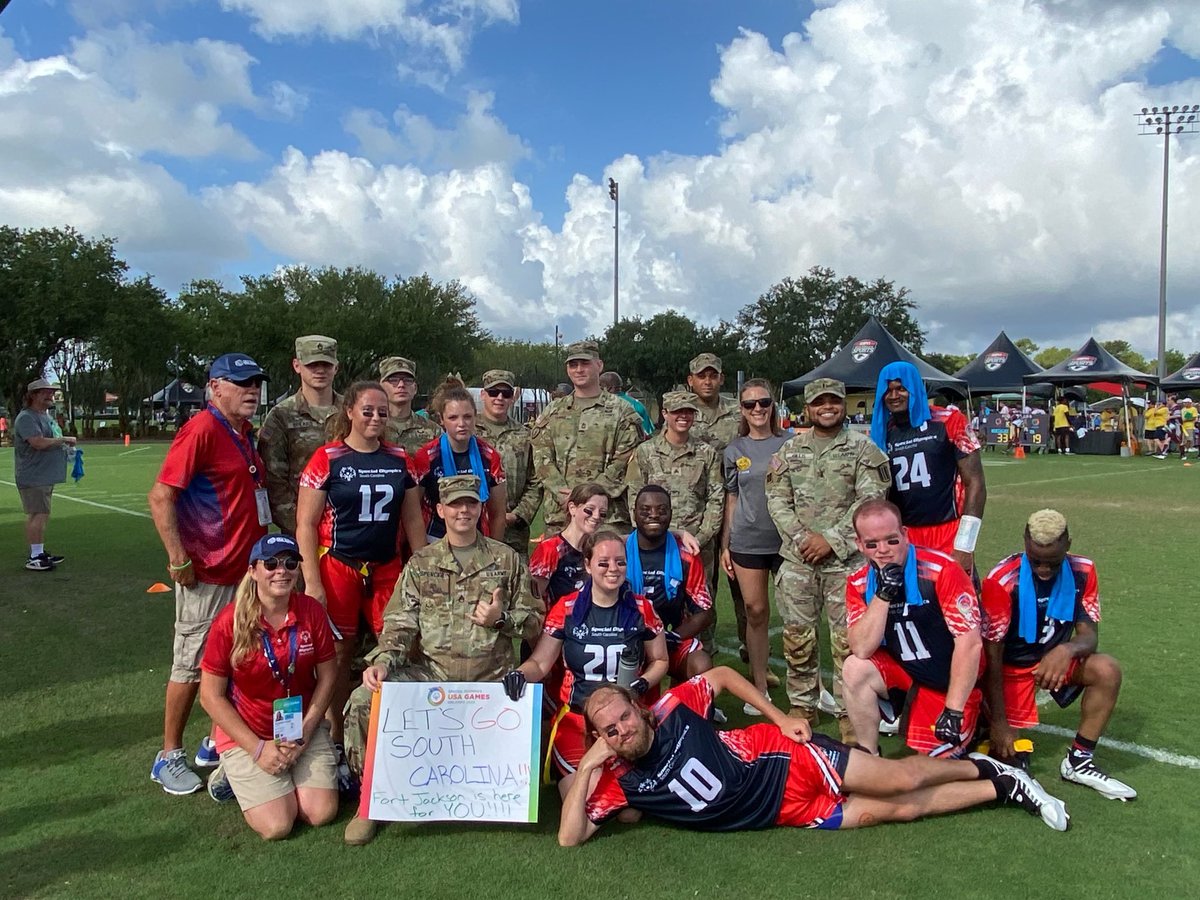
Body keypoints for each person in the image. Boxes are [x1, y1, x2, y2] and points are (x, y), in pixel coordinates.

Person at [558, 666, 1069, 845]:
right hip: (785, 812)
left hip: (783, 758)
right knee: (901, 809)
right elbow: (569, 838)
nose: (621, 731)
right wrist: (585, 768)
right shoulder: (618, 779)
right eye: (609, 730)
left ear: (637, 708)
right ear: (602, 737)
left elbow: (720, 678)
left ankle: (985, 764)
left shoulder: (670, 709)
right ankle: (1006, 786)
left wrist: (779, 717)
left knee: (896, 780)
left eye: (624, 717)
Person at [341, 475, 543, 844]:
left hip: (491, 682)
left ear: (481, 508)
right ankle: (369, 799)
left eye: (470, 503)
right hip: (433, 678)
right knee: (362, 701)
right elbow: (400, 622)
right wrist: (384, 661)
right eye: (454, 504)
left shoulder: (506, 559)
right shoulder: (422, 564)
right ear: (440, 510)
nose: (463, 510)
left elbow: (534, 623)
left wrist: (500, 619)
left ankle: (501, 797)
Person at [147, 353, 270, 795]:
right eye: (240, 383)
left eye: (255, 383)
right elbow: (161, 497)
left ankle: (215, 741)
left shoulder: (244, 432)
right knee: (192, 664)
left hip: (245, 572)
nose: (251, 390)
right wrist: (178, 558)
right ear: (215, 387)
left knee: (238, 659)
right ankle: (169, 755)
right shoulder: (201, 428)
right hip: (209, 572)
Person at [295, 381, 426, 766]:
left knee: (399, 646)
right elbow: (305, 524)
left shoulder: (401, 458)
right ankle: (335, 732)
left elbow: (414, 520)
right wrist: (313, 581)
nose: (375, 417)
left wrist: (423, 571)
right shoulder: (328, 457)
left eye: (382, 412)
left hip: (386, 565)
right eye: (367, 410)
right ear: (349, 410)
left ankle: (394, 730)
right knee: (337, 651)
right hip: (339, 562)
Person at [979, 510, 1136, 800]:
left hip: (1052, 663)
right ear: (1025, 542)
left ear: (1068, 545)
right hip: (1009, 669)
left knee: (1107, 670)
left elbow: (1089, 636)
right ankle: (983, 723)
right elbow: (991, 656)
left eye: (1052, 562)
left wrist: (1067, 649)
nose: (1042, 569)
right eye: (1035, 559)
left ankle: (1079, 761)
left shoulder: (1084, 571)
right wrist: (999, 722)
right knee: (1010, 760)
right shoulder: (1003, 580)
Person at [766, 378, 891, 740]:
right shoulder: (791, 450)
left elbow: (869, 502)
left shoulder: (863, 450)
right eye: (819, 402)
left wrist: (832, 540)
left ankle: (850, 713)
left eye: (833, 401)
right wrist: (806, 539)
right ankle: (803, 704)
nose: (827, 407)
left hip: (846, 563)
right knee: (797, 638)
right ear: (807, 408)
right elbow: (777, 498)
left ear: (843, 405)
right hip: (798, 560)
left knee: (847, 644)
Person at [504, 530, 669, 796]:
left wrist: (643, 683)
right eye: (603, 563)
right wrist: (520, 675)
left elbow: (660, 660)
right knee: (582, 797)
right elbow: (541, 663)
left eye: (620, 562)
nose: (613, 569)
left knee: (629, 810)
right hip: (578, 719)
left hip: (625, 721)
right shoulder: (567, 608)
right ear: (587, 565)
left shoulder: (642, 608)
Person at [198, 535, 339, 839]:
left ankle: (282, 777)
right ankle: (228, 773)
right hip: (249, 734)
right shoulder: (229, 621)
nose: (282, 571)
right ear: (253, 571)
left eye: (290, 563)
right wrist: (258, 749)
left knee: (320, 813)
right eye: (271, 563)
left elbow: (328, 675)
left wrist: (305, 730)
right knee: (278, 826)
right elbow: (209, 696)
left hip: (301, 729)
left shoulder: (311, 611)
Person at [842, 499, 983, 759]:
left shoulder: (942, 570)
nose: (883, 550)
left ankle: (983, 740)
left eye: (891, 540)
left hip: (947, 680)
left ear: (905, 535)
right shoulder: (859, 583)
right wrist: (883, 595)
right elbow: (861, 648)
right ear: (859, 545)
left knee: (934, 771)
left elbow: (970, 643)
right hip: (907, 673)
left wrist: (953, 709)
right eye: (872, 544)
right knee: (854, 667)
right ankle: (868, 754)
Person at [871, 362, 986, 576]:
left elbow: (975, 483)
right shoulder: (881, 432)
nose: (894, 395)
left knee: (955, 602)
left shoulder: (949, 420)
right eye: (887, 390)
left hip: (947, 531)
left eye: (901, 388)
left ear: (914, 387)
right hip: (902, 535)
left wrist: (965, 544)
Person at [721, 378, 789, 708]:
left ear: (773, 405)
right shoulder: (735, 450)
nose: (758, 409)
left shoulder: (790, 443)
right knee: (756, 612)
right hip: (747, 540)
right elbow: (732, 499)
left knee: (798, 616)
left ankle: (811, 687)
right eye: (750, 404)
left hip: (789, 542)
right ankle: (759, 686)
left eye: (763, 402)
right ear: (742, 410)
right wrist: (725, 544)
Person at [530, 340, 643, 533]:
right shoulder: (553, 411)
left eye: (585, 363)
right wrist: (564, 495)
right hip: (561, 515)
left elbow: (626, 460)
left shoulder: (622, 411)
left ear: (599, 365)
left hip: (606, 517)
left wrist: (588, 497)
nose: (579, 370)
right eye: (573, 365)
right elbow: (542, 458)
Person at [625, 390, 723, 591]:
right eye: (678, 411)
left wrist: (702, 537)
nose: (684, 416)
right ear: (665, 413)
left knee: (701, 606)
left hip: (696, 545)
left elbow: (716, 499)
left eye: (689, 411)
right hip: (656, 545)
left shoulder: (706, 453)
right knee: (654, 601)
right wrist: (647, 536)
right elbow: (634, 497)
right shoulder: (646, 451)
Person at [686, 352, 750, 658]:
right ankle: (704, 650)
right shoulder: (682, 411)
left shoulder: (738, 413)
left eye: (713, 375)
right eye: (701, 376)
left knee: (743, 584)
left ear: (721, 378)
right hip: (700, 509)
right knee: (703, 584)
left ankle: (750, 647)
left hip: (739, 503)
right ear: (691, 380)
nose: (707, 381)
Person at [626, 485, 714, 682]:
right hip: (625, 640)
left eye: (662, 510)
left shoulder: (686, 556)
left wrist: (669, 639)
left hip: (668, 639)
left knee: (701, 665)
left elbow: (704, 612)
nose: (654, 515)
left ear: (671, 513)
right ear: (634, 514)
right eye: (645, 510)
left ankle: (686, 709)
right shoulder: (618, 553)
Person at [257, 335, 342, 535]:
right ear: (297, 365)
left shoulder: (352, 411)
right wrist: (305, 530)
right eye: (312, 364)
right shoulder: (280, 416)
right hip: (299, 530)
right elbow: (274, 482)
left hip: (347, 529)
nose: (320, 370)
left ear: (336, 367)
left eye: (326, 364)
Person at [411, 381, 507, 540]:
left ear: (475, 417)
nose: (461, 424)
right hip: (436, 539)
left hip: (477, 539)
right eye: (453, 418)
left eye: (467, 417)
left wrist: (494, 553)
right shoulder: (427, 456)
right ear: (441, 419)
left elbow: (498, 515)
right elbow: (414, 513)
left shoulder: (490, 457)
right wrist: (421, 554)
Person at [475, 369, 542, 560]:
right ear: (483, 394)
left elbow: (535, 481)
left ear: (513, 397)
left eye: (506, 394)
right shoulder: (468, 432)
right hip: (473, 526)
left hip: (513, 534)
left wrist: (518, 515)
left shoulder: (524, 435)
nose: (499, 398)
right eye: (493, 392)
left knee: (516, 586)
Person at [13, 378, 74, 571]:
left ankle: (39, 552)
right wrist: (63, 440)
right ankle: (35, 556)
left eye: (51, 391)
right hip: (34, 476)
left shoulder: (44, 415)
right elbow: (37, 442)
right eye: (45, 392)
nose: (50, 395)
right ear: (33, 396)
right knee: (37, 514)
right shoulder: (26, 418)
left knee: (42, 513)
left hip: (44, 475)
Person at [529, 482, 609, 605]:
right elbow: (534, 599)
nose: (596, 516)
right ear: (573, 508)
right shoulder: (550, 549)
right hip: (556, 621)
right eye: (589, 510)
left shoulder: (596, 550)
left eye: (603, 513)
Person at [378, 356, 442, 455]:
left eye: (408, 380)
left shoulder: (434, 431)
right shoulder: (373, 426)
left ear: (415, 388)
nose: (401, 385)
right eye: (393, 380)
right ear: (381, 387)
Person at [600, 370, 654, 437]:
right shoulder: (637, 404)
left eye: (600, 387)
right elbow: (648, 433)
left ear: (608, 388)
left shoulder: (602, 405)